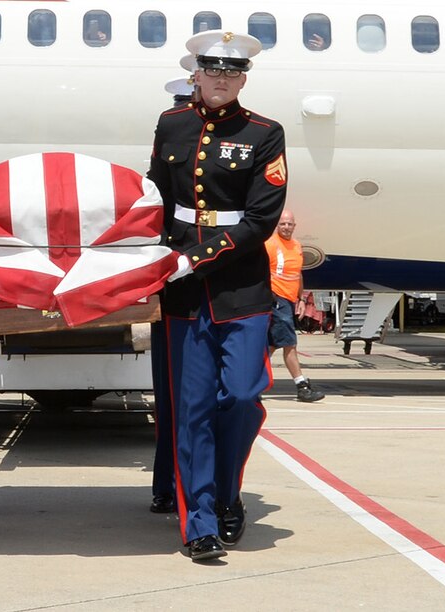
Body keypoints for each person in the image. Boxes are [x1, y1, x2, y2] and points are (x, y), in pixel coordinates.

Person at [147, 30, 286, 561]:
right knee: (191, 410)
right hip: (181, 293)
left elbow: (260, 218)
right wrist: (145, 252)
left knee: (244, 396)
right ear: (196, 76)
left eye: (231, 72)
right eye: (212, 70)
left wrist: (195, 257)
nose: (221, 79)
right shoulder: (172, 124)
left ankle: (228, 490)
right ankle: (199, 521)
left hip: (241, 286)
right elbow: (156, 193)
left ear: (243, 78)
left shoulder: (264, 133)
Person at [149, 71, 198, 516]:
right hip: (175, 282)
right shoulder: (170, 135)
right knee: (171, 397)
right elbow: (155, 202)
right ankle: (167, 483)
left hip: (221, 279)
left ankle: (203, 489)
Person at [266, 210, 325, 402]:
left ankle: (246, 380)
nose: (286, 227)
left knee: (272, 344)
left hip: (290, 300)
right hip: (277, 299)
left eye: (289, 224)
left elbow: (298, 275)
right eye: (282, 224)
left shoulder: (297, 246)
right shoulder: (270, 244)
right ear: (277, 225)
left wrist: (300, 299)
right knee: (289, 344)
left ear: (294, 226)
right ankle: (301, 385)